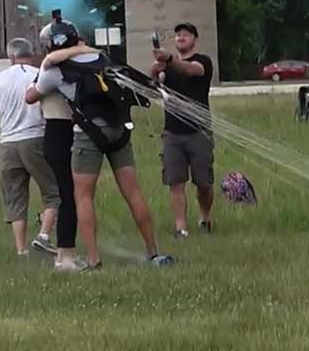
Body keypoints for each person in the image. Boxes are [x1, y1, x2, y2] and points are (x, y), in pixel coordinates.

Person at [35, 33, 174, 271]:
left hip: (88, 133)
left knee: (83, 196)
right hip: (119, 130)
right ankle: (153, 253)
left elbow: (36, 88)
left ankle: (93, 259)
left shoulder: (55, 69)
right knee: (133, 192)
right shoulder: (102, 58)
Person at [0, 38, 60, 256]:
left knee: (15, 197)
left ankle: (21, 249)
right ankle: (44, 235)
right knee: (53, 191)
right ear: (31, 53)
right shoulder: (39, 75)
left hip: (7, 143)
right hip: (36, 137)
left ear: (11, 56)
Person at [24, 15, 83, 272]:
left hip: (60, 131)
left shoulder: (51, 69)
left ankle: (65, 252)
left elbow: (30, 95)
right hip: (67, 131)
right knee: (68, 194)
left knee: (68, 195)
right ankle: (64, 252)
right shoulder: (72, 66)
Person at [151, 22, 214, 238]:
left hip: (199, 132)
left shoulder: (202, 61)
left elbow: (189, 69)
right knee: (176, 182)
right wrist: (155, 71)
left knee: (203, 183)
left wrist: (168, 60)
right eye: (177, 34)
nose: (180, 37)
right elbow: (156, 85)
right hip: (172, 133)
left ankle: (205, 218)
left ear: (195, 39)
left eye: (185, 34)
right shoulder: (168, 67)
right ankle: (181, 228)